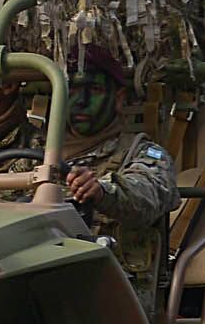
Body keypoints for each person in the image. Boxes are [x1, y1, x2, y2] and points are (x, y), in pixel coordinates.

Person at [60, 45, 180, 289]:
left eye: (94, 90)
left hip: (113, 290)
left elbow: (150, 193)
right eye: (72, 89)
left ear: (119, 99)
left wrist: (102, 191)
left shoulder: (142, 153)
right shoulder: (34, 154)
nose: (81, 101)